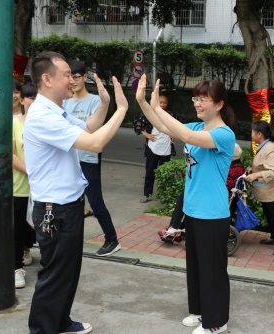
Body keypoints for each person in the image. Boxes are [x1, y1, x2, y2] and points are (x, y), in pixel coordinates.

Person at [24, 51, 128, 334]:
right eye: (66, 75)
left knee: (67, 272)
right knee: (54, 275)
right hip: (53, 209)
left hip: (67, 205)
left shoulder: (57, 111)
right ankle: (43, 329)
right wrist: (121, 110)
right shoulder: (43, 116)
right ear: (47, 79)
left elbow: (89, 127)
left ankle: (61, 322)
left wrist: (105, 104)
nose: (72, 80)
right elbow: (93, 143)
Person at [136, 73, 235, 334]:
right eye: (196, 99)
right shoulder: (196, 126)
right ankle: (201, 312)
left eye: (204, 100)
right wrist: (144, 102)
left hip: (212, 213)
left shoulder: (224, 134)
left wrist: (157, 107)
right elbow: (167, 127)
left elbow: (186, 138)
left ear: (220, 104)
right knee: (196, 267)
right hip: (193, 210)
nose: (198, 104)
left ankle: (216, 322)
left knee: (213, 270)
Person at [63, 61, 121, 256]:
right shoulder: (65, 101)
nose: (73, 81)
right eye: (70, 77)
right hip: (69, 159)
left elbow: (93, 128)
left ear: (84, 77)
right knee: (72, 203)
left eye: (77, 77)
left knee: (95, 202)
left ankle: (112, 239)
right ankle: (71, 240)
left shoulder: (95, 101)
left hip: (88, 159)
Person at [158, 143, 245, 241]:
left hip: (217, 198)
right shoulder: (236, 166)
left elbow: (220, 184)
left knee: (186, 197)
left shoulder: (233, 169)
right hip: (219, 196)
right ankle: (175, 229)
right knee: (186, 195)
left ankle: (174, 229)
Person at [245, 121, 274, 256]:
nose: (251, 134)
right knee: (268, 213)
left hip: (269, 190)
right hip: (265, 189)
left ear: (259, 134)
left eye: (252, 132)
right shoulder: (265, 144)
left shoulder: (269, 149)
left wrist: (256, 175)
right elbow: (263, 164)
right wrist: (253, 169)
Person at [12, 82, 38, 288]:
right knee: (17, 229)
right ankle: (16, 268)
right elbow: (9, 155)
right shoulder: (14, 125)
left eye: (37, 98)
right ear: (22, 100)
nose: (33, 101)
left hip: (44, 188)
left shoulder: (46, 125)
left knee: (44, 229)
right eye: (30, 97)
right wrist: (31, 172)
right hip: (20, 187)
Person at [133, 94, 175, 203]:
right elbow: (137, 124)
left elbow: (176, 127)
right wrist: (146, 134)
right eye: (160, 102)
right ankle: (147, 194)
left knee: (164, 173)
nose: (162, 104)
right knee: (150, 171)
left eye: (164, 102)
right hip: (153, 147)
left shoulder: (170, 115)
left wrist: (173, 135)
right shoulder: (150, 115)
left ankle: (162, 195)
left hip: (166, 148)